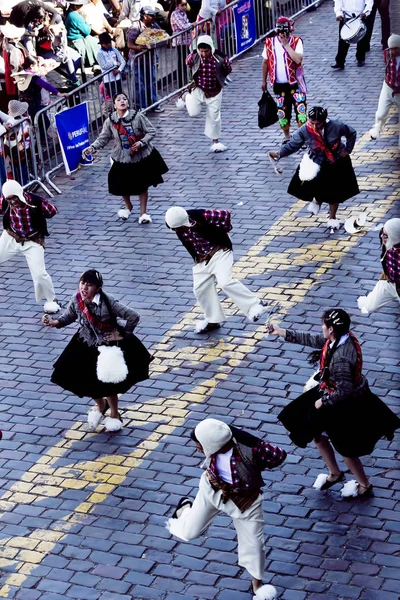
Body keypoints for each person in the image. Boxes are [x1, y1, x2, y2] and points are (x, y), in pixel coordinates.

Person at [268, 309, 400, 498]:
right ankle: (335, 473)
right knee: (315, 432)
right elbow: (314, 340)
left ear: (331, 329)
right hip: (330, 392)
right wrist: (282, 332)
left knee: (344, 446)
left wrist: (323, 401)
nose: (321, 328)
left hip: (342, 403)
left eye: (323, 325)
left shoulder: (340, 359)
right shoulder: (341, 338)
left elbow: (344, 391)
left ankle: (364, 484)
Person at [166, 418, 287, 599]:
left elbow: (279, 456)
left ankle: (257, 583)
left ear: (214, 444)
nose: (199, 449)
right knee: (189, 533)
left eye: (201, 446)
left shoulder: (250, 449)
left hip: (246, 502)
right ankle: (185, 509)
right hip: (212, 489)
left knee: (254, 544)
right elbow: (208, 431)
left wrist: (257, 451)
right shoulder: (213, 439)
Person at [42, 269, 152, 432]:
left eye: (90, 284)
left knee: (108, 383)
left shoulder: (109, 303)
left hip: (106, 346)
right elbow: (68, 317)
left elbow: (133, 316)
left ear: (98, 288)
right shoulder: (77, 299)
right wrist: (55, 322)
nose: (84, 288)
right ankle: (101, 405)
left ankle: (115, 414)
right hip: (85, 343)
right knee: (84, 378)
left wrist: (122, 334)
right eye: (83, 283)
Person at [165, 206, 267, 333]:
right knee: (200, 288)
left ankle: (255, 305)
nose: (179, 230)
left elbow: (225, 215)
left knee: (225, 282)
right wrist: (196, 257)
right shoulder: (172, 223)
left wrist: (224, 232)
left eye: (180, 227)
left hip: (220, 251)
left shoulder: (202, 215)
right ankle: (213, 320)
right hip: (202, 258)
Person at [82, 92, 168, 224]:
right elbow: (103, 138)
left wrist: (141, 142)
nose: (122, 101)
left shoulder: (138, 117)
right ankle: (128, 206)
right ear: (115, 104)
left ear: (128, 103)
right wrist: (92, 148)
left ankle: (143, 213)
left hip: (140, 156)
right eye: (118, 99)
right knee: (121, 184)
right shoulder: (110, 121)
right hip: (121, 156)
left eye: (124, 99)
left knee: (142, 184)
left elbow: (151, 131)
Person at [269, 106, 359, 230]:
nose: (316, 126)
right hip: (317, 161)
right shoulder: (304, 130)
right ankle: (318, 200)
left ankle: (332, 217)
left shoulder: (337, 126)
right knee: (316, 187)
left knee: (335, 192)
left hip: (337, 161)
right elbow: (293, 145)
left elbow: (352, 133)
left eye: (319, 124)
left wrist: (348, 149)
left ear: (325, 120)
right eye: (313, 123)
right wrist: (279, 154)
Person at [0, 179, 61, 314]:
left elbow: (53, 211)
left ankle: (52, 300)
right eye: (9, 199)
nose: (12, 202)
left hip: (33, 240)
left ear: (20, 193)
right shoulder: (4, 202)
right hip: (11, 236)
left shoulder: (36, 201)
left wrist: (42, 211)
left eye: (14, 198)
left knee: (39, 274)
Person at [177, 34, 232, 153]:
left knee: (214, 116)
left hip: (215, 89)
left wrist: (225, 62)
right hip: (199, 88)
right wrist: (193, 54)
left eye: (206, 51)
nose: (204, 54)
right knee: (193, 112)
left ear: (211, 49)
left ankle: (215, 142)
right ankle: (185, 95)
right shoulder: (195, 56)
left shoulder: (219, 57)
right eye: (201, 51)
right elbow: (188, 63)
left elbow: (228, 69)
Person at [261, 17, 306, 142]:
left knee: (300, 110)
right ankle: (287, 137)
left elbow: (298, 59)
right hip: (278, 85)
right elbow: (265, 62)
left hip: (295, 84)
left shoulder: (297, 41)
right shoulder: (269, 42)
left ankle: (302, 138)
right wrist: (263, 81)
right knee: (282, 112)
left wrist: (286, 45)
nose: (283, 34)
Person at [357, 218, 400, 314]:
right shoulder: (388, 241)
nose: (381, 236)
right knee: (369, 307)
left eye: (385, 235)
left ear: (394, 238)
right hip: (388, 282)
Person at [127, 5, 165, 112]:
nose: (153, 17)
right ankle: (141, 106)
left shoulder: (154, 25)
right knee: (140, 84)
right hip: (137, 61)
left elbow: (161, 35)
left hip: (149, 59)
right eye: (151, 15)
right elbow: (129, 44)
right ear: (145, 16)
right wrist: (139, 47)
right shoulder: (135, 27)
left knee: (151, 82)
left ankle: (154, 104)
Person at [369, 33, 400, 149]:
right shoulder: (387, 54)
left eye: (395, 48)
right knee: (381, 113)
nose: (392, 52)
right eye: (391, 48)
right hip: (388, 87)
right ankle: (378, 129)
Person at [331, 0, 373, 69]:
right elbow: (338, 2)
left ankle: (360, 58)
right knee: (343, 39)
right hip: (346, 16)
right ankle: (340, 62)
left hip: (360, 15)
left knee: (361, 38)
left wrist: (366, 12)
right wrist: (338, 14)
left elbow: (369, 1)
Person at [65, 0, 100, 69]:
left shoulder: (70, 13)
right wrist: (86, 20)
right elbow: (87, 31)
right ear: (75, 6)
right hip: (77, 41)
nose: (82, 7)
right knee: (97, 43)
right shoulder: (75, 16)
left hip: (75, 39)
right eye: (81, 5)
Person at [97, 31, 126, 97]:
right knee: (113, 97)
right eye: (106, 44)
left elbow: (122, 61)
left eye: (109, 43)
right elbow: (103, 66)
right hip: (108, 80)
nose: (108, 45)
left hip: (117, 78)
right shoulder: (100, 54)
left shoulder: (114, 50)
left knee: (121, 95)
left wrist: (119, 70)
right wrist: (114, 63)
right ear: (102, 44)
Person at [169, 0, 191, 88]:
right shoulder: (175, 14)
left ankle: (188, 81)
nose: (185, 7)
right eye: (183, 5)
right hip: (179, 42)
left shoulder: (184, 14)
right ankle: (181, 85)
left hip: (187, 41)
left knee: (188, 61)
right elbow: (183, 26)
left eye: (186, 5)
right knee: (181, 63)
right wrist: (191, 24)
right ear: (177, 5)